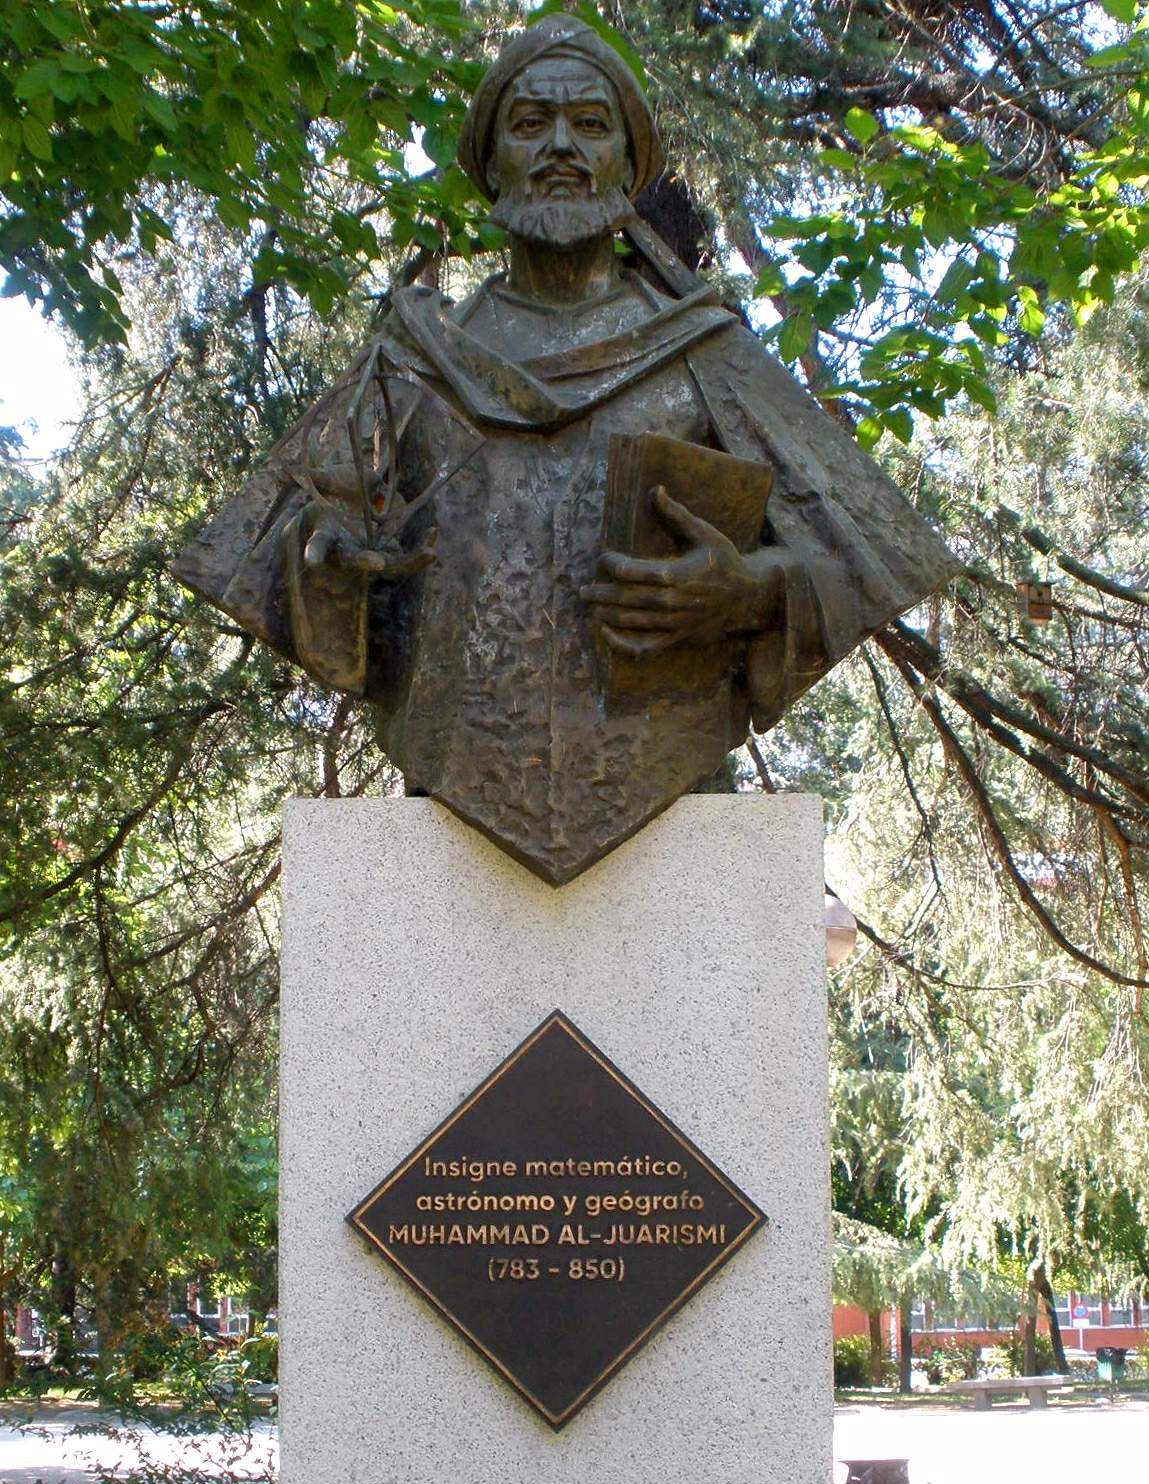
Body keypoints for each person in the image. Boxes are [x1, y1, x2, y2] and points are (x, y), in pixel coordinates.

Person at [176, 15, 954, 883]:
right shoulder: (416, 356)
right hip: (452, 791)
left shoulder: (705, 353)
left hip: (669, 791)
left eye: (589, 124)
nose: (559, 147)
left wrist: (752, 592)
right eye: (529, 123)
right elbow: (281, 541)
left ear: (627, 161)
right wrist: (324, 549)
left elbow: (871, 557)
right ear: (490, 162)